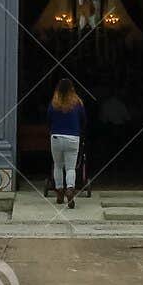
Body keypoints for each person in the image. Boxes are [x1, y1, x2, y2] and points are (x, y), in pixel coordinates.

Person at [47, 77, 86, 208]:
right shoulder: (77, 103)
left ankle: (59, 192)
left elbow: (48, 119)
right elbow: (83, 119)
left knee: (58, 165)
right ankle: (70, 189)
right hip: (73, 137)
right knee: (70, 167)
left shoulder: (54, 103)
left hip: (56, 136)